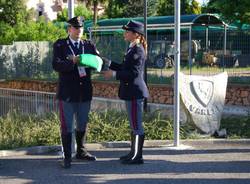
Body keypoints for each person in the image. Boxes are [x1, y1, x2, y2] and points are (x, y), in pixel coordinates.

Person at [52, 16, 98, 169]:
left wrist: (86, 61)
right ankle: (67, 156)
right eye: (76, 28)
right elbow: (56, 65)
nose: (79, 31)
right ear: (69, 30)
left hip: (84, 91)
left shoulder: (88, 45)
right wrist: (72, 62)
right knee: (67, 126)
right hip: (67, 93)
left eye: (81, 28)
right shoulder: (60, 45)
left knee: (83, 123)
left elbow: (97, 62)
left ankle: (81, 151)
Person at [103, 20, 149, 164]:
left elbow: (133, 73)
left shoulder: (138, 50)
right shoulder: (132, 48)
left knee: (137, 125)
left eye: (127, 31)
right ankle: (132, 153)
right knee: (134, 124)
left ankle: (137, 156)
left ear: (136, 34)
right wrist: (108, 62)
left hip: (135, 92)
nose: (125, 33)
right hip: (131, 92)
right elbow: (124, 67)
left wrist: (114, 75)